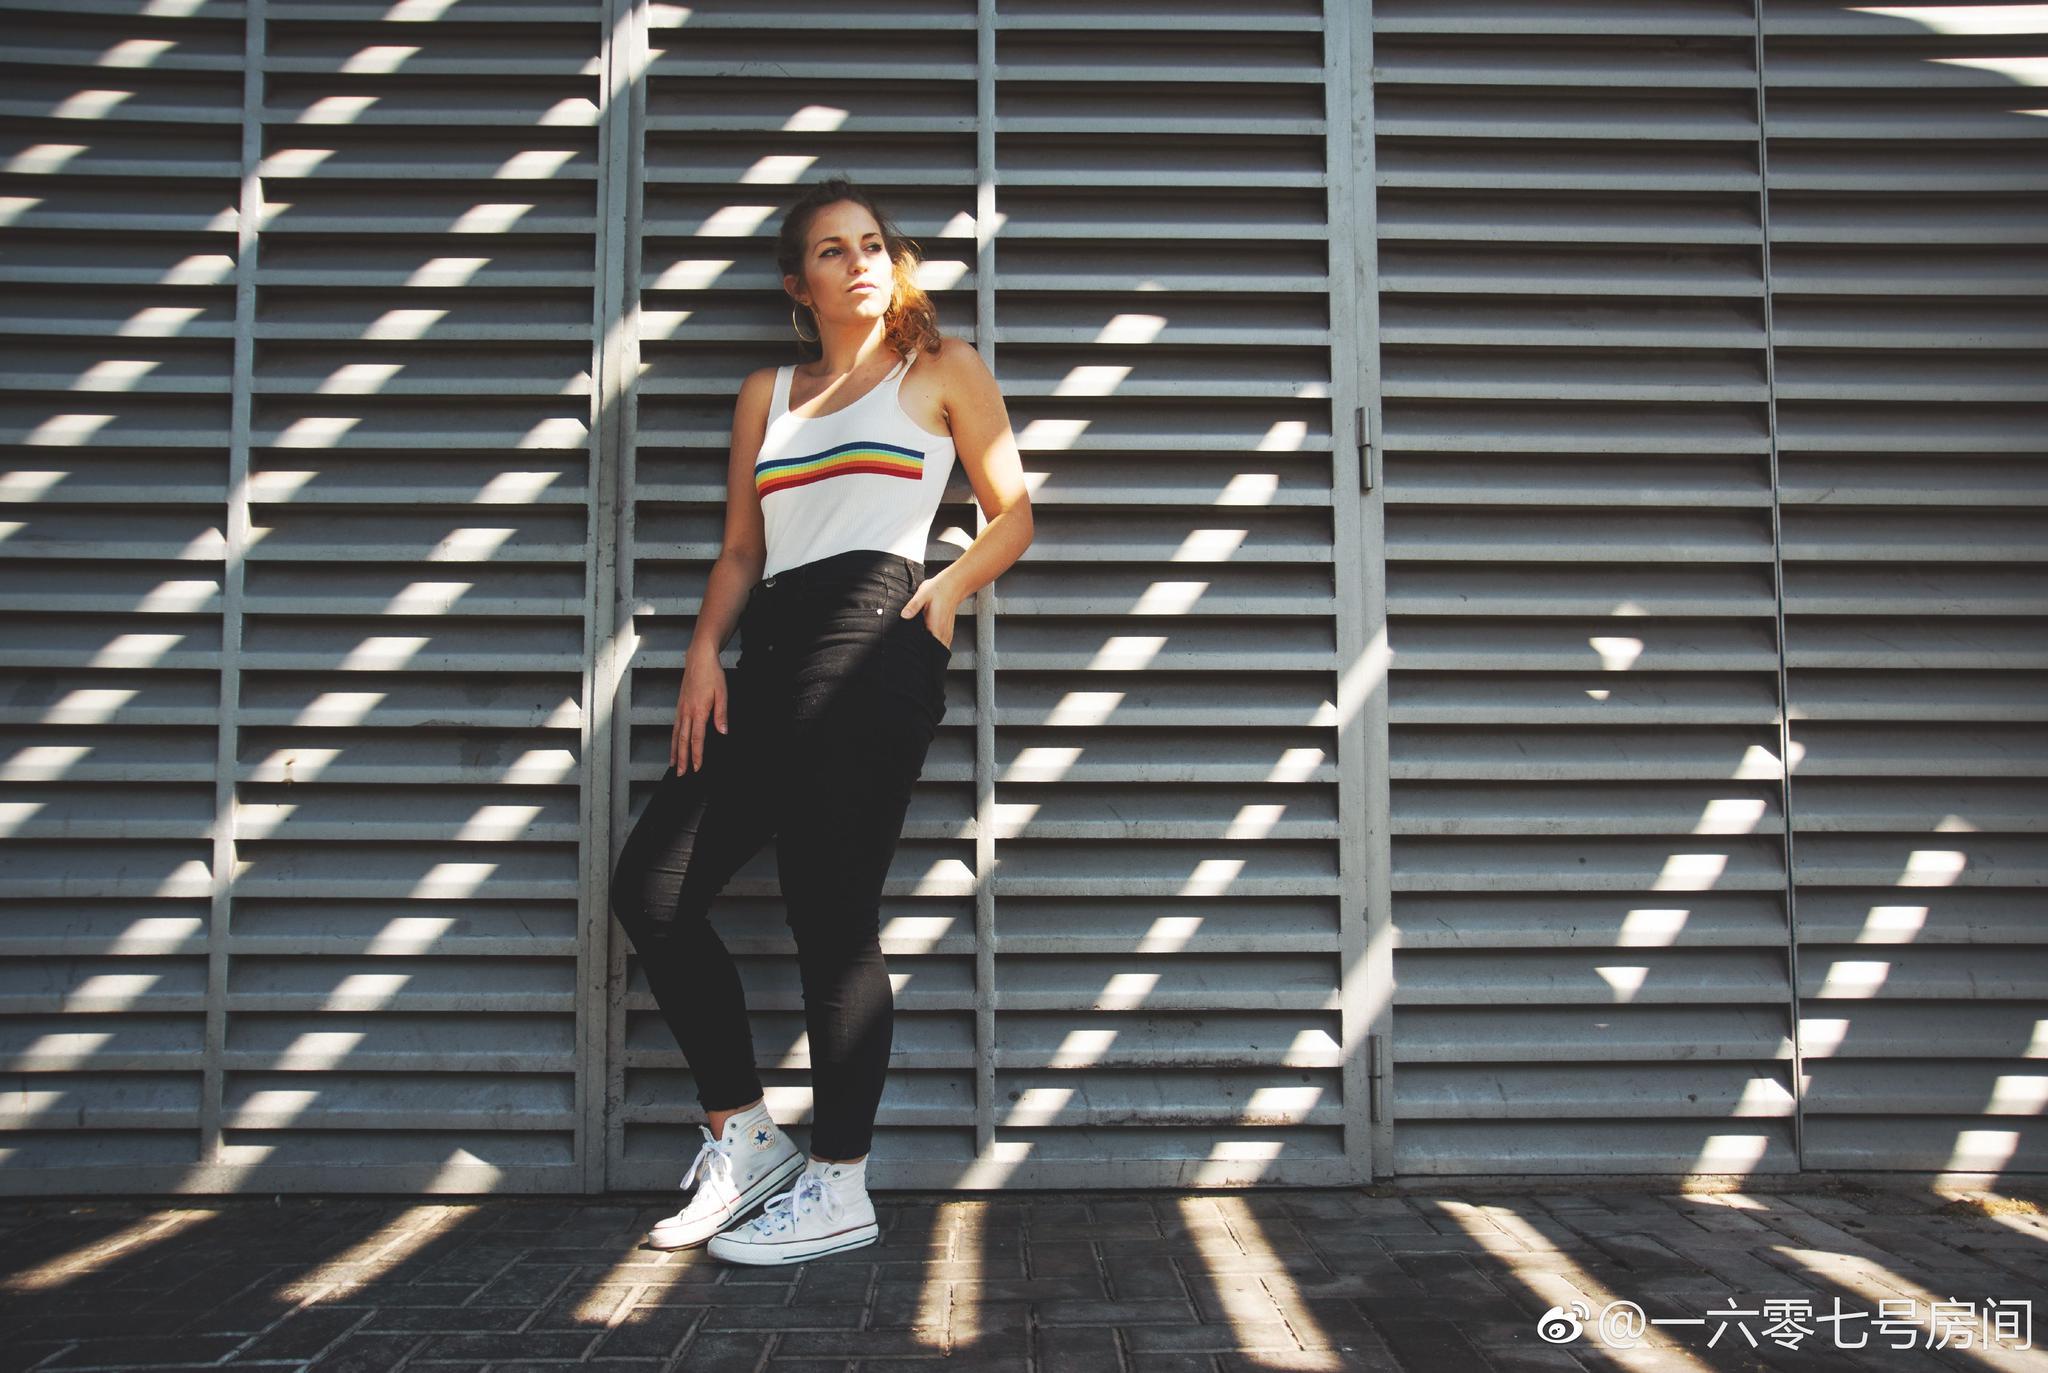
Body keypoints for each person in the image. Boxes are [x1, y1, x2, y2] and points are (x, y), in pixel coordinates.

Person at [608, 176, 1032, 1265]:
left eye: (873, 243)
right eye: (833, 250)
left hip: (877, 634)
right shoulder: (768, 393)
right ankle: (747, 1139)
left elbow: (1013, 513)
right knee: (652, 889)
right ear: (797, 285)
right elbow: (741, 550)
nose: (860, 262)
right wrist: (702, 654)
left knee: (829, 911)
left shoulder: (941, 368)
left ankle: (840, 1182)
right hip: (769, 650)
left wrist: (940, 593)